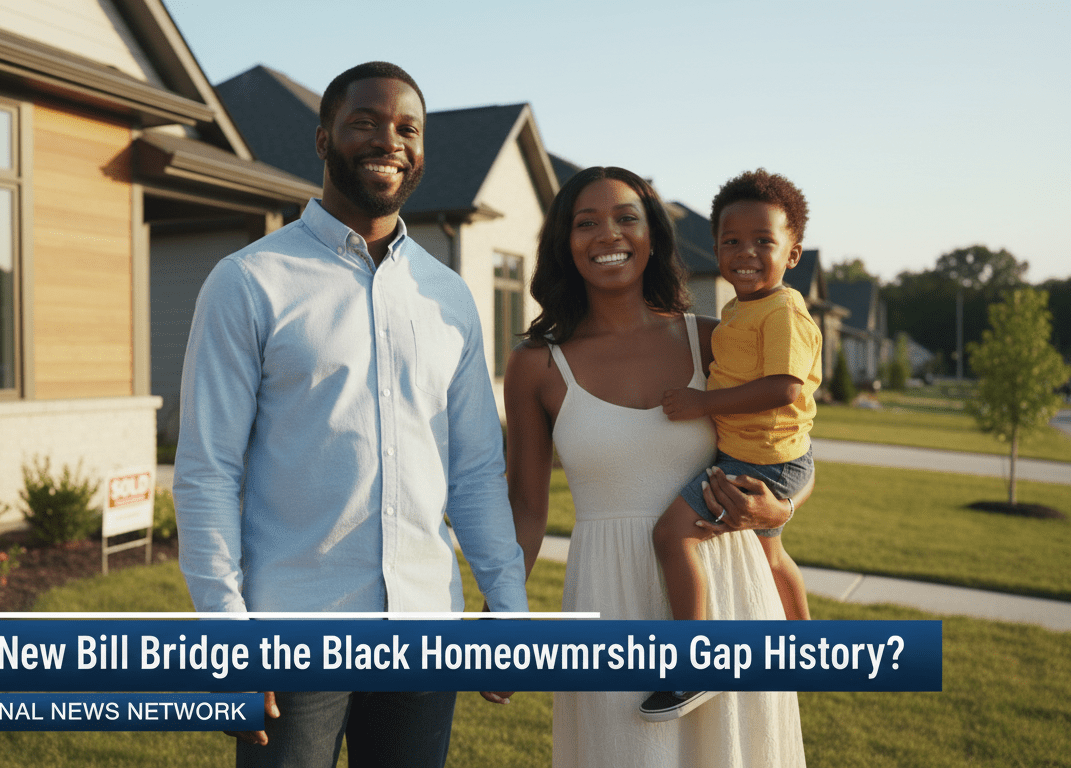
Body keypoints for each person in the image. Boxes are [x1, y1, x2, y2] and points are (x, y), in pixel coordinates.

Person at [174, 61, 528, 768]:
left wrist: (509, 607)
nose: (388, 140)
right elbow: (208, 469)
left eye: (407, 128)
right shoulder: (248, 281)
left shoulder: (449, 297)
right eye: (364, 121)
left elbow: (478, 470)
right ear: (323, 139)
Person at [503, 166, 808, 767]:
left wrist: (783, 509)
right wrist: (503, 616)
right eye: (585, 222)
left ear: (653, 237)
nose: (606, 234)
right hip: (609, 599)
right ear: (564, 242)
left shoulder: (714, 339)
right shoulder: (536, 366)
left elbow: (787, 440)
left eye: (625, 218)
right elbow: (525, 511)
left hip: (729, 597)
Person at [642, 168, 821, 720]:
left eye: (763, 241)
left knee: (672, 535)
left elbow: (784, 387)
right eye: (731, 241)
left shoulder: (784, 311)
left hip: (760, 464)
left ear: (792, 253)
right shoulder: (741, 309)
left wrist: (703, 406)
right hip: (771, 458)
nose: (745, 252)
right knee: (769, 554)